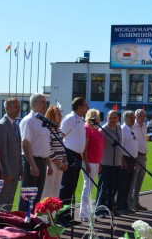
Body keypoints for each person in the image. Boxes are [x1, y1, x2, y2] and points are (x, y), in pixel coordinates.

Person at [57, 97, 88, 227]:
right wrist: (64, 155)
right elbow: (60, 136)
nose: (87, 108)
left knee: (73, 188)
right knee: (66, 188)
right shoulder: (70, 118)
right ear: (79, 107)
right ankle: (61, 217)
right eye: (85, 105)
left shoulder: (80, 120)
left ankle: (69, 216)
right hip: (69, 155)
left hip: (77, 156)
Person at [18, 93, 50, 213]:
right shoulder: (29, 121)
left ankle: (32, 221)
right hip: (32, 160)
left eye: (45, 102)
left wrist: (47, 164)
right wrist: (32, 164)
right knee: (27, 195)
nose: (44, 105)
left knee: (37, 195)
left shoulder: (42, 120)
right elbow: (25, 143)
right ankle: (22, 222)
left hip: (42, 161)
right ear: (33, 104)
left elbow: (44, 144)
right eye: (42, 102)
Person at [0, 98, 22, 211]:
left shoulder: (15, 124)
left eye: (19, 106)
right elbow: (2, 152)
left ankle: (6, 225)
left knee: (10, 202)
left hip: (15, 171)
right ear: (6, 108)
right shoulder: (2, 125)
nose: (18, 109)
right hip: (7, 173)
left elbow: (18, 149)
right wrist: (6, 172)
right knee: (2, 202)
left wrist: (21, 170)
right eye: (15, 106)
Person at [96, 110, 123, 218]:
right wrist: (98, 163)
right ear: (107, 118)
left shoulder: (119, 128)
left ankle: (110, 208)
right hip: (105, 164)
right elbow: (97, 148)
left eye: (114, 118)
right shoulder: (103, 130)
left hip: (117, 164)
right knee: (103, 188)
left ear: (118, 119)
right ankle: (99, 210)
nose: (112, 120)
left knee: (114, 188)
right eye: (110, 117)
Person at [79, 109, 104, 221]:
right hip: (89, 162)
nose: (99, 119)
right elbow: (84, 148)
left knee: (90, 187)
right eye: (98, 117)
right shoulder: (87, 129)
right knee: (88, 187)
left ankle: (88, 211)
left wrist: (99, 163)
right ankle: (84, 213)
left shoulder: (96, 130)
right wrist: (87, 163)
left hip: (95, 162)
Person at [41, 106, 68, 198]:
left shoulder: (59, 131)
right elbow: (49, 148)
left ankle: (53, 212)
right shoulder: (48, 130)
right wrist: (58, 163)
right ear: (52, 116)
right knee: (48, 191)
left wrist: (65, 161)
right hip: (52, 164)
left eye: (61, 115)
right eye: (58, 115)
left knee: (56, 192)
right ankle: (45, 212)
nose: (61, 117)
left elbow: (62, 147)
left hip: (60, 165)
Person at [116, 110, 137, 215]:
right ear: (125, 119)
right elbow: (121, 147)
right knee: (122, 185)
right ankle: (119, 206)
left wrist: (135, 159)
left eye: (134, 117)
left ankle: (125, 205)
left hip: (132, 160)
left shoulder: (131, 129)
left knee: (128, 185)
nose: (133, 119)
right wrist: (122, 160)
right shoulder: (123, 129)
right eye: (130, 118)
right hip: (125, 159)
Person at [128, 109, 148, 211]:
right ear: (136, 117)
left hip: (144, 156)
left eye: (144, 116)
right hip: (136, 156)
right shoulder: (133, 127)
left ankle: (136, 201)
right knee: (133, 180)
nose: (142, 118)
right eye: (140, 116)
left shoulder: (144, 126)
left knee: (140, 180)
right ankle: (130, 203)